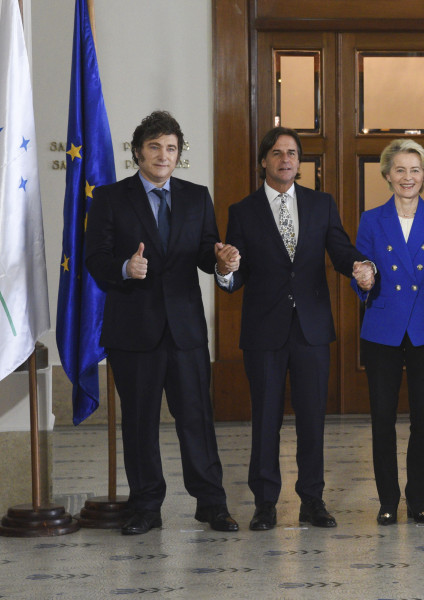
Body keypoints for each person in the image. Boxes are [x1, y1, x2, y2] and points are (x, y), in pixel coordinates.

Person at [85, 111, 239, 535]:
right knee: (140, 423)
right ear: (138, 152)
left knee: (197, 419)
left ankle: (212, 503)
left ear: (178, 155)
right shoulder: (110, 198)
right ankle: (146, 507)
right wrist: (123, 267)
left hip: (186, 331)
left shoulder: (196, 196)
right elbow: (94, 260)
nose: (163, 155)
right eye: (154, 147)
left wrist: (221, 261)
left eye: (171, 148)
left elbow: (206, 252)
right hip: (134, 332)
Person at [216, 126, 375, 531]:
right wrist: (225, 269)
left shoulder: (321, 204)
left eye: (292, 153)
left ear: (299, 163)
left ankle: (312, 501)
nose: (285, 159)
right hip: (264, 331)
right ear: (263, 161)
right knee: (265, 417)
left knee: (312, 418)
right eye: (277, 153)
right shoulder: (243, 210)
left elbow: (340, 249)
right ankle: (265, 503)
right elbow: (237, 270)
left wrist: (359, 266)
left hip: (311, 329)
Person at [351, 139, 424, 526]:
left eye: (415, 170)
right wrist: (362, 278)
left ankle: (417, 500)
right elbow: (362, 270)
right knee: (382, 417)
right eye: (400, 170)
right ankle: (387, 500)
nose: (407, 177)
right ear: (387, 175)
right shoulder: (370, 219)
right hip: (383, 328)